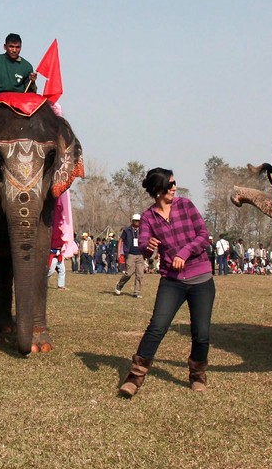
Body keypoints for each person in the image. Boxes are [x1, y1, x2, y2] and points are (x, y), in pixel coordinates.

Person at [119, 168, 214, 397]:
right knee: (157, 327)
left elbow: (203, 235)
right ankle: (135, 377)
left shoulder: (186, 206)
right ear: (157, 190)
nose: (174, 188)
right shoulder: (149, 217)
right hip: (172, 281)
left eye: (174, 183)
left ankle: (197, 375)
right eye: (170, 184)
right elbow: (144, 245)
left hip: (201, 278)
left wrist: (184, 252)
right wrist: (148, 248)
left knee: (201, 332)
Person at [115, 214, 144, 298]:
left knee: (139, 274)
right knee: (128, 273)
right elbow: (121, 240)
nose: (137, 222)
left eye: (139, 221)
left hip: (140, 254)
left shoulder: (143, 230)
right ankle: (119, 285)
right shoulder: (127, 230)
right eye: (136, 220)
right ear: (132, 221)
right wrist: (119, 252)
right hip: (130, 254)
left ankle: (137, 292)